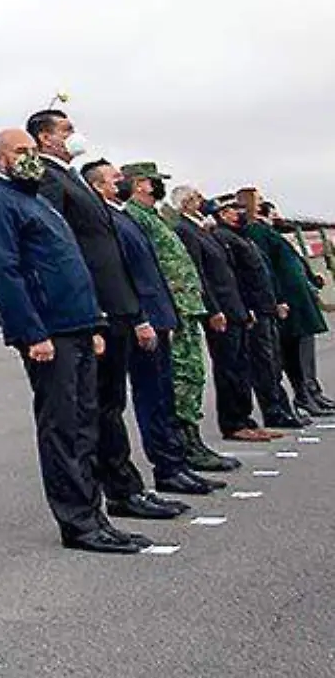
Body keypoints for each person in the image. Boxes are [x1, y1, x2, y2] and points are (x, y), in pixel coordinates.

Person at [0, 129, 153, 553]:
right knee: (63, 428)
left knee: (86, 424)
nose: (29, 157)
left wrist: (92, 326)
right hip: (49, 334)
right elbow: (7, 272)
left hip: (78, 327)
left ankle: (95, 516)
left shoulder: (37, 202)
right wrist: (33, 332)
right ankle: (77, 523)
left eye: (33, 151)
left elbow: (69, 265)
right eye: (20, 151)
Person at [27, 110, 183, 520]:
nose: (73, 136)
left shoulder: (71, 176)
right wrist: (92, 310)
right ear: (44, 139)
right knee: (102, 408)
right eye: (65, 130)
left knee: (111, 402)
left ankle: (125, 486)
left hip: (116, 307)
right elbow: (63, 249)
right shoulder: (48, 177)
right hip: (97, 310)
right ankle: (119, 489)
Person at [83, 162, 224, 495]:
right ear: (99, 187)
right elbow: (126, 274)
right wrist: (142, 317)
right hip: (141, 318)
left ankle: (175, 464)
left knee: (163, 394)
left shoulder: (126, 216)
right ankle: (166, 466)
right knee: (151, 397)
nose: (122, 183)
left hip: (159, 315)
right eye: (115, 179)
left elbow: (152, 269)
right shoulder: (110, 219)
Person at [118, 164, 240, 471]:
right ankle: (184, 446)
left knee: (193, 374)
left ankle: (192, 440)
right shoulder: (135, 216)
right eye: (153, 183)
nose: (158, 188)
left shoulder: (156, 216)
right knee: (182, 377)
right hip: (172, 308)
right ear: (140, 184)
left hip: (185, 306)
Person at [170, 185, 276, 442]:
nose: (201, 201)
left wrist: (244, 308)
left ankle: (245, 418)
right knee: (228, 369)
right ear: (185, 203)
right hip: (220, 311)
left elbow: (228, 273)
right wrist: (213, 310)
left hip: (235, 307)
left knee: (241, 367)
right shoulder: (185, 230)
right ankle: (233, 422)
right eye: (195, 198)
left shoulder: (203, 230)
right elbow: (200, 274)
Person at [211, 195, 307, 430]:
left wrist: (275, 301)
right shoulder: (225, 238)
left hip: (265, 307)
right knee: (263, 364)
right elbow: (236, 279)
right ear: (223, 214)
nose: (240, 213)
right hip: (253, 309)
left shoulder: (243, 237)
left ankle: (281, 408)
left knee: (273, 362)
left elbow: (263, 274)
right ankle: (273, 411)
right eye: (235, 209)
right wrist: (248, 308)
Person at [247, 197, 334, 416]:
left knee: (305, 348)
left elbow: (292, 262)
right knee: (294, 352)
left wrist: (311, 280)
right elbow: (267, 266)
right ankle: (304, 393)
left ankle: (312, 390)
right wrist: (278, 299)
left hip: (299, 298)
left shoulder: (273, 233)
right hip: (288, 300)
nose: (277, 215)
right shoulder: (258, 232)